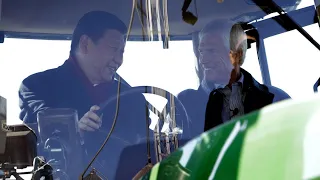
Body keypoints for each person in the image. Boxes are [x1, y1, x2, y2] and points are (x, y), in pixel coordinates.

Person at [18, 11, 152, 179]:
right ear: (85, 43)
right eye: (113, 49)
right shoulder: (36, 87)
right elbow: (39, 135)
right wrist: (74, 131)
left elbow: (145, 147)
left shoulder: (132, 98)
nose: (119, 60)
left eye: (122, 52)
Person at [178, 19, 290, 136]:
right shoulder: (184, 103)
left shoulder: (276, 99)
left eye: (212, 51)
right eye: (201, 52)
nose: (203, 60)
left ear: (238, 54)